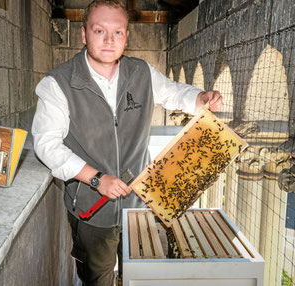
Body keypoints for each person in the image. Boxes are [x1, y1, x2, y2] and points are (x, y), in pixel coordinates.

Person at [32, 0, 223, 285]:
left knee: (142, 276)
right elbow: (47, 145)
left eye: (118, 32)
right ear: (84, 34)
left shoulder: (142, 73)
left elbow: (174, 93)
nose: (109, 40)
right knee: (98, 279)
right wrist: (96, 179)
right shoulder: (57, 84)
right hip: (91, 211)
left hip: (141, 205)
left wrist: (201, 98)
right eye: (99, 31)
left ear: (126, 36)